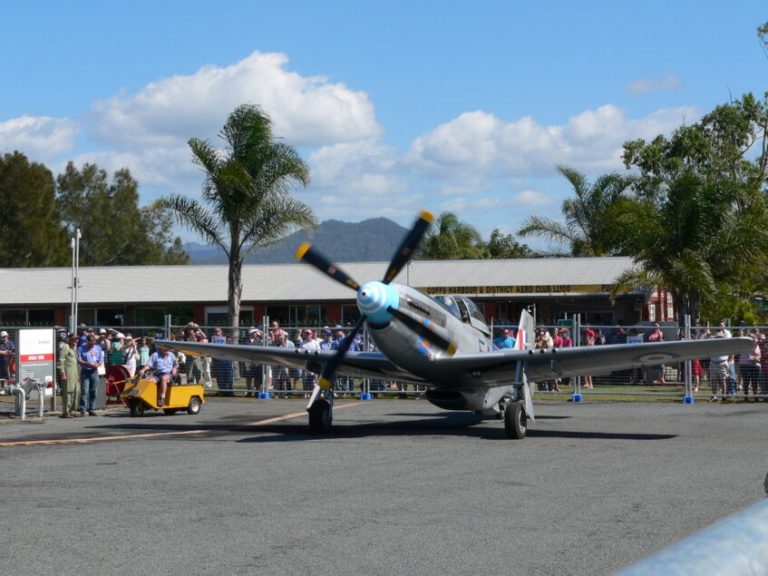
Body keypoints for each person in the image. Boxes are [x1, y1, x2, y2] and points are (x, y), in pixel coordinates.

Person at [78, 334, 104, 416]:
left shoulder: (98, 348)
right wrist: (88, 364)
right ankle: (83, 409)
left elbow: (101, 358)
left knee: (94, 391)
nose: (92, 345)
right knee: (84, 391)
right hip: (85, 371)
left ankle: (92, 409)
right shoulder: (81, 348)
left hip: (94, 371)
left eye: (93, 343)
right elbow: (79, 360)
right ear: (87, 341)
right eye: (90, 343)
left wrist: (99, 364)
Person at [57, 333, 80, 418]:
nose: (76, 341)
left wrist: (77, 374)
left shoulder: (73, 348)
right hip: (68, 372)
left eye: (77, 339)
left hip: (74, 373)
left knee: (75, 391)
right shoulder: (65, 347)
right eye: (74, 339)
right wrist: (62, 372)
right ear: (69, 339)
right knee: (68, 391)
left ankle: (73, 410)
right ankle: (66, 412)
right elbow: (61, 360)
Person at [243, 327, 263, 396]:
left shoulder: (259, 340)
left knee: (257, 376)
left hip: (257, 361)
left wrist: (261, 335)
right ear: (251, 333)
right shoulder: (246, 341)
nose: (255, 333)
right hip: (248, 360)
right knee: (249, 376)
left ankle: (257, 391)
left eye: (256, 332)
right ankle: (249, 391)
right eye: (254, 332)